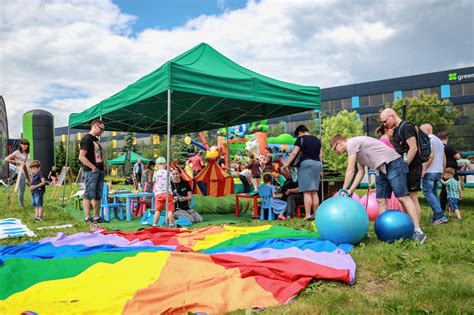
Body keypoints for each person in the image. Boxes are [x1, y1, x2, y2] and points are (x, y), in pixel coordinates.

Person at [331, 134, 427, 243]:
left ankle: (418, 231)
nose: (336, 152)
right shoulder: (355, 150)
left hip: (393, 163)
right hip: (381, 168)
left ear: (339, 143)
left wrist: (344, 189)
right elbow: (361, 172)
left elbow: (350, 170)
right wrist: (350, 190)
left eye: (335, 149)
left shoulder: (351, 143)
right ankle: (384, 231)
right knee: (380, 200)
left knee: (402, 197)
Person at [380, 108, 423, 225]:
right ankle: (409, 224)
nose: (384, 124)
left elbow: (413, 148)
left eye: (385, 121)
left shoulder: (406, 127)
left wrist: (404, 166)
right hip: (403, 168)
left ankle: (416, 227)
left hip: (412, 168)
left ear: (392, 116)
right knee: (404, 198)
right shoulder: (397, 129)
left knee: (412, 198)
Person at [284, 125, 322, 220]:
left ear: (300, 132)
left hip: (306, 164)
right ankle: (316, 214)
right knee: (314, 191)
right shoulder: (317, 140)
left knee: (307, 192)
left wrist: (286, 164)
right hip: (317, 164)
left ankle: (308, 215)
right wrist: (321, 169)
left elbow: (294, 153)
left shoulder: (301, 139)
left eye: (297, 135)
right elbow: (321, 155)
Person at [78, 119, 106, 224]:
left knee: (98, 194)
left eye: (103, 130)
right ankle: (87, 218)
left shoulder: (95, 139)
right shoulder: (86, 139)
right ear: (94, 126)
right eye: (101, 129)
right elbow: (81, 157)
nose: (102, 132)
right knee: (88, 194)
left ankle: (96, 217)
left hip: (100, 171)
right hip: (91, 171)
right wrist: (93, 167)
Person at [420, 124, 448, 224]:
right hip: (438, 171)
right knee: (434, 193)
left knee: (428, 192)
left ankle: (440, 216)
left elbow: (430, 156)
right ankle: (438, 216)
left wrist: (423, 169)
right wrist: (442, 170)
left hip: (430, 171)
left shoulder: (429, 140)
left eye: (421, 131)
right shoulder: (439, 141)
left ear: (427, 130)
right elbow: (444, 158)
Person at [437, 131, 461, 212]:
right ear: (447, 138)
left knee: (445, 189)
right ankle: (453, 206)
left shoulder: (437, 147)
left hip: (443, 169)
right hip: (451, 171)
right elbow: (458, 157)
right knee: (453, 187)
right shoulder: (448, 147)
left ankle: (445, 207)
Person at [5, 139, 31, 207]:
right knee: (22, 189)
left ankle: (35, 202)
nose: (26, 146)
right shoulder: (17, 152)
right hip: (21, 172)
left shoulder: (27, 153)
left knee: (33, 188)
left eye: (27, 144)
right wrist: (17, 162)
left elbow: (28, 163)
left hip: (29, 173)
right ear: (20, 144)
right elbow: (6, 159)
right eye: (24, 144)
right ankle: (21, 205)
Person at [152, 157, 174, 227]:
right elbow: (173, 180)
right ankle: (171, 224)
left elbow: (153, 180)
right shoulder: (168, 172)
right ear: (165, 164)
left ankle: (154, 224)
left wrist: (155, 170)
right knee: (170, 210)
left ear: (157, 165)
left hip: (159, 194)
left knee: (157, 210)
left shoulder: (156, 173)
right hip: (168, 193)